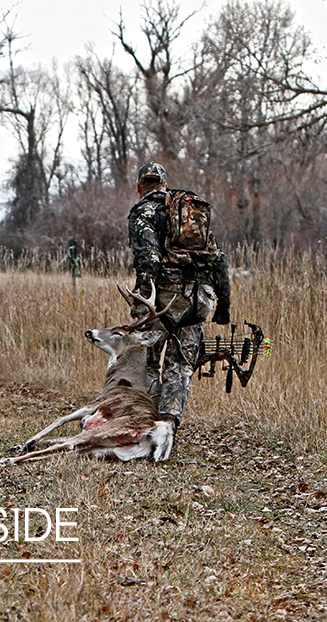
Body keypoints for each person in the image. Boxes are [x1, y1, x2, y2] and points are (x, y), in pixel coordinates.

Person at [127, 162, 231, 456]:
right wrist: (223, 308)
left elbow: (149, 259)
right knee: (181, 366)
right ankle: (168, 427)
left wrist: (141, 307)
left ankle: (145, 427)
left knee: (144, 360)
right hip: (200, 298)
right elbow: (219, 261)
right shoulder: (187, 212)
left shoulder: (143, 213)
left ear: (140, 187)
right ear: (164, 184)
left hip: (164, 300)